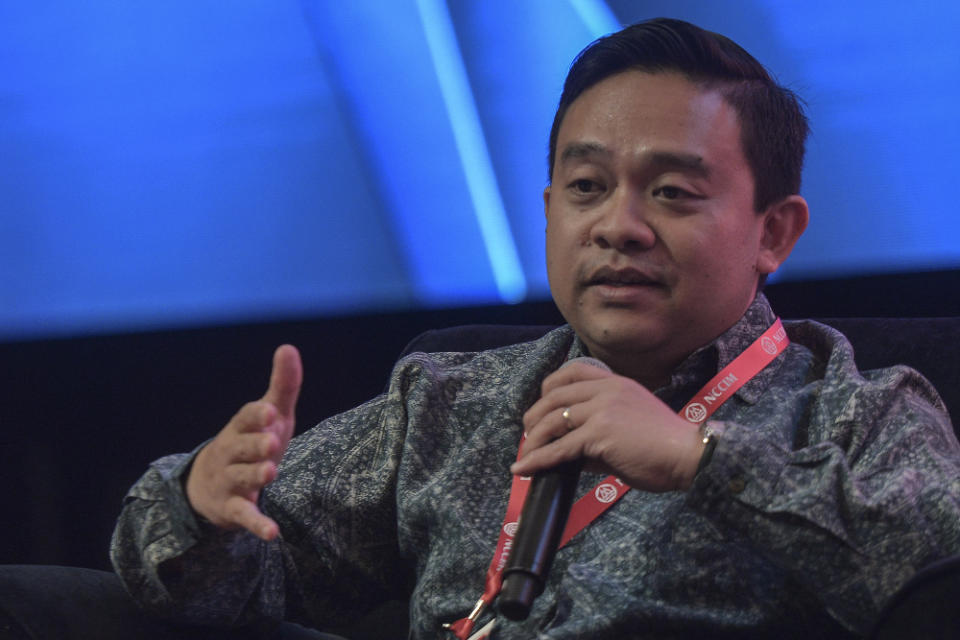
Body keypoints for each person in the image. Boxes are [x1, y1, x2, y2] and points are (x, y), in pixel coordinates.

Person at [108, 17, 960, 639]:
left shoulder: (856, 410)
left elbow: (935, 573)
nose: (617, 226)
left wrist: (701, 460)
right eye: (586, 188)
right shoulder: (446, 400)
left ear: (774, 231)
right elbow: (238, 588)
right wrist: (204, 511)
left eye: (671, 192)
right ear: (550, 210)